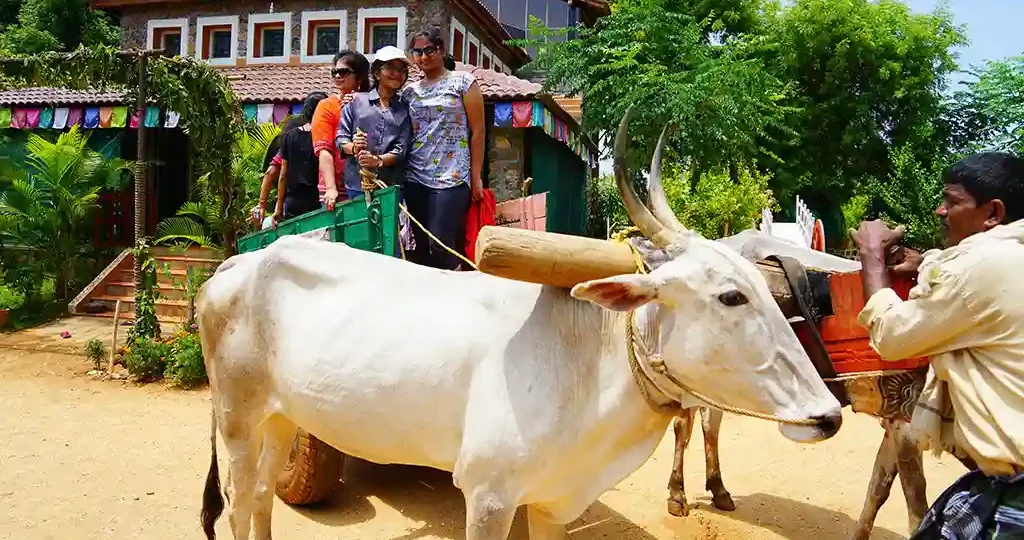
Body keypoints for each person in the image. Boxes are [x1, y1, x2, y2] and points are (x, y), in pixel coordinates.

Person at [852, 152, 1024, 539]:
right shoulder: (1009, 256)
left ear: (993, 213)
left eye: (952, 201)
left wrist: (871, 257)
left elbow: (891, 337)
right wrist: (928, 263)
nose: (939, 210)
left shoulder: (979, 270)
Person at [402, 26, 485, 270]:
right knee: (420, 243)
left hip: (453, 175)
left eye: (429, 50)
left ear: (441, 49)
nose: (423, 57)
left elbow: (478, 131)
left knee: (440, 242)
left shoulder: (463, 82)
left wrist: (476, 176)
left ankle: (459, 288)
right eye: (417, 52)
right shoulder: (409, 92)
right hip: (416, 175)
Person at [335, 45, 412, 201]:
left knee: (390, 226)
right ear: (377, 72)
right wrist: (355, 148)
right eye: (390, 67)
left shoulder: (405, 108)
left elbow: (401, 149)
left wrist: (378, 161)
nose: (397, 73)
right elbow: (341, 138)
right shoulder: (355, 101)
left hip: (391, 186)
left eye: (402, 69)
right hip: (357, 184)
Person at [311, 50, 371, 211]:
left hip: (369, 182)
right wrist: (331, 188)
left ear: (359, 76)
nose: (337, 76)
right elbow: (324, 150)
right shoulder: (326, 106)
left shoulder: (374, 103)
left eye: (343, 72)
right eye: (334, 72)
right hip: (335, 190)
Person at [271, 91, 328, 222]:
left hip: (293, 202)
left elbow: (283, 174)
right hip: (317, 200)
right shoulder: (324, 136)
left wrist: (278, 208)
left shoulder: (289, 136)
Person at [252, 111, 316, 227]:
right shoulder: (316, 141)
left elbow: (270, 173)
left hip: (291, 203)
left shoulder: (289, 143)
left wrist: (262, 206)